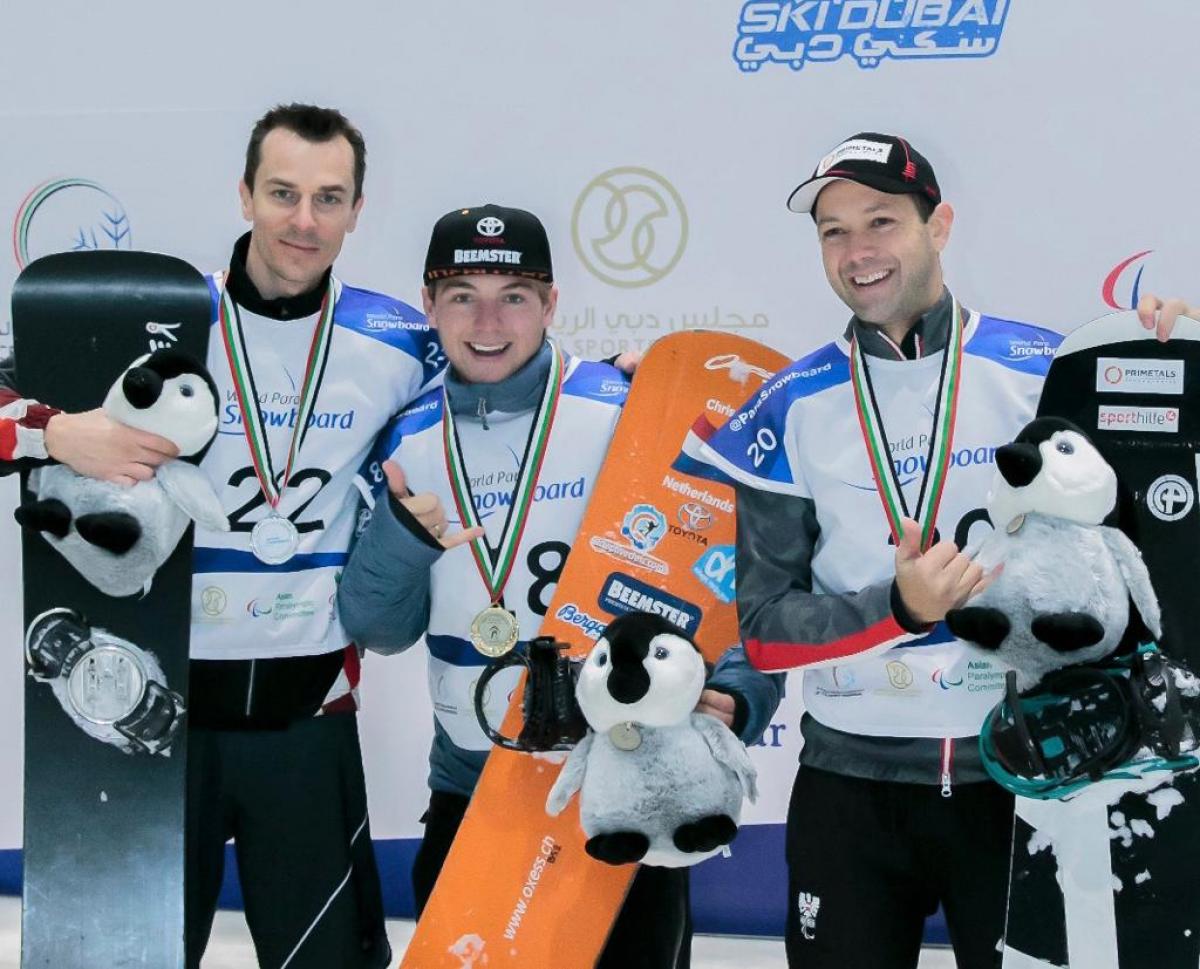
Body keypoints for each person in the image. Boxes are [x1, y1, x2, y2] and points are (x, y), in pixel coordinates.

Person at [689, 132, 1195, 969]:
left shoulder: (1047, 371)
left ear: (940, 224)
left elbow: (1152, 543)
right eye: (834, 231)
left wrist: (1169, 351)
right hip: (850, 789)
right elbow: (768, 630)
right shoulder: (788, 407)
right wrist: (898, 609)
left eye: (881, 222)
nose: (858, 253)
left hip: (1026, 778)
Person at [1, 102, 441, 969]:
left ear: (358, 208)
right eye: (282, 192)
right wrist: (57, 434)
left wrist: (623, 382)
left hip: (307, 723)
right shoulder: (154, 318)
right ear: (244, 195)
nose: (303, 221)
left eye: (328, 197)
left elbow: (510, 401)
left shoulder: (400, 341)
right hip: (156, 725)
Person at [336, 202, 778, 967]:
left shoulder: (624, 411)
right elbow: (379, 627)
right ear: (428, 304)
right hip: (473, 790)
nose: (488, 319)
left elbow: (715, 575)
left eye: (513, 294)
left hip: (623, 784)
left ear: (550, 304)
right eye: (461, 295)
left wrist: (740, 694)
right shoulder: (404, 436)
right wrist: (403, 539)